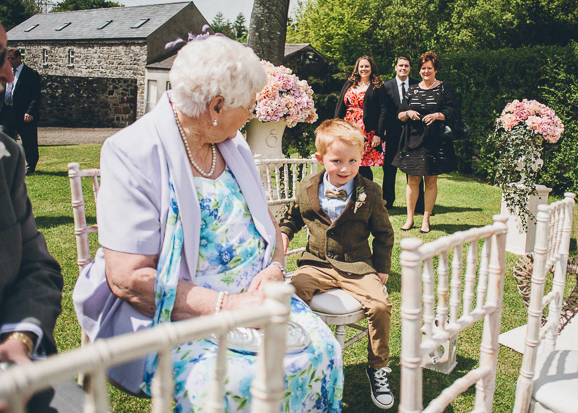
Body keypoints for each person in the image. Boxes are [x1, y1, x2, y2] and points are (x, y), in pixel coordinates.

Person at [72, 36, 343, 412]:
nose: (252, 115)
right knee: (242, 385)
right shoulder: (131, 152)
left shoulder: (233, 144)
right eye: (248, 108)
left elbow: (268, 224)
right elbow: (128, 278)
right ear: (216, 106)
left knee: (322, 349)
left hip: (258, 302)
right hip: (183, 316)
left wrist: (276, 269)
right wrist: (229, 306)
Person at [280, 119, 395, 410]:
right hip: (316, 263)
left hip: (357, 265)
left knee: (380, 306)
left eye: (353, 161)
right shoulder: (307, 187)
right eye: (337, 161)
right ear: (321, 159)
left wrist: (381, 269)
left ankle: (378, 367)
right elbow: (293, 217)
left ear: (361, 159)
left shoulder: (370, 192)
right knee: (292, 291)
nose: (345, 168)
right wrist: (283, 235)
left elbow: (383, 233)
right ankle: (297, 356)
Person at [0, 23, 84, 413]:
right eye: (1, 58)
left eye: (6, 56)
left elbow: (38, 269)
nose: (5, 72)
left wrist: (19, 338)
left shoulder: (6, 160)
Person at [393, 51, 461, 233]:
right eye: (423, 68)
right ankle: (409, 219)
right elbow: (399, 114)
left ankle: (426, 219)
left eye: (429, 68)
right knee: (412, 181)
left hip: (435, 141)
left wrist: (438, 115)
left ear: (435, 69)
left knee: (431, 181)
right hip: (412, 141)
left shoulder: (444, 88)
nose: (426, 72)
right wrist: (408, 113)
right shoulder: (412, 89)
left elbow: (454, 111)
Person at [334, 56, 387, 181]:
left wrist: (378, 134)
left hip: (367, 132)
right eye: (361, 66)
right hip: (348, 130)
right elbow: (340, 105)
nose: (364, 69)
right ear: (357, 68)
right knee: (347, 162)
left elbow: (383, 111)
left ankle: (365, 196)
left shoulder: (377, 86)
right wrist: (335, 127)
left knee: (363, 165)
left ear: (372, 68)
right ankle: (349, 194)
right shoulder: (349, 83)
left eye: (367, 66)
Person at [382, 56, 425, 211]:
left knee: (415, 167)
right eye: (400, 65)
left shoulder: (418, 85)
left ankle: (419, 204)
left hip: (413, 133)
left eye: (406, 66)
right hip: (392, 133)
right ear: (395, 67)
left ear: (410, 68)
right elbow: (383, 112)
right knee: (389, 168)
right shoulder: (386, 87)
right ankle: (387, 200)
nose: (403, 68)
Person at [0, 48, 41, 174]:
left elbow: (36, 96)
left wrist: (30, 112)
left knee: (28, 141)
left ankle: (30, 166)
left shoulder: (31, 74)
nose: (9, 62)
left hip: (23, 113)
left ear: (19, 58)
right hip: (7, 111)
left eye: (11, 59)